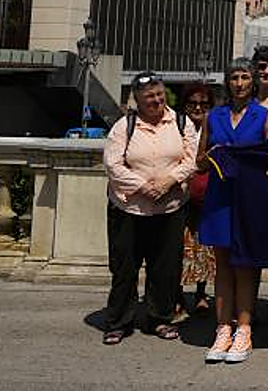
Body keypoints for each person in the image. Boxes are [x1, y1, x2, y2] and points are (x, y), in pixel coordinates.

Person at [101, 72, 197, 344]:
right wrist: (144, 187)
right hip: (129, 209)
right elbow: (113, 164)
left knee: (165, 268)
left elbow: (192, 159)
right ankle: (118, 322)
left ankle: (160, 318)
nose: (155, 101)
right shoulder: (124, 126)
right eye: (148, 98)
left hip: (170, 208)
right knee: (124, 268)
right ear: (137, 100)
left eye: (158, 95)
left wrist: (169, 181)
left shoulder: (181, 122)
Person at [195, 59, 268, 363]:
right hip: (219, 196)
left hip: (250, 199)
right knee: (223, 265)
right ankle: (222, 328)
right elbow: (199, 161)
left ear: (253, 82)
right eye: (234, 77)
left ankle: (244, 328)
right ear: (227, 82)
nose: (239, 83)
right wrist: (214, 156)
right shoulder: (213, 117)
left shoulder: (266, 117)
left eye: (244, 77)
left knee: (245, 265)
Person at [176, 82, 217, 321]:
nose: (198, 107)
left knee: (204, 248)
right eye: (193, 103)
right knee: (179, 249)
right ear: (185, 105)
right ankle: (178, 295)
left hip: (205, 196)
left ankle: (201, 294)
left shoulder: (213, 127)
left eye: (204, 103)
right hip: (180, 196)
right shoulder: (176, 126)